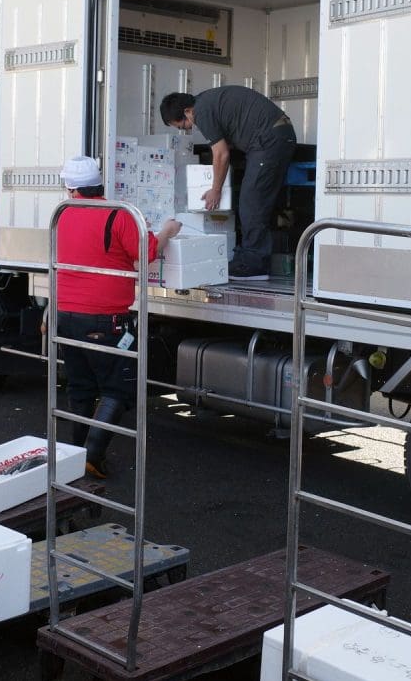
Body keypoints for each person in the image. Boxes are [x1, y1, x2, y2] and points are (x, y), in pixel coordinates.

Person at [55, 155, 181, 478]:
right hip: (107, 320)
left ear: (71, 189)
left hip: (67, 317)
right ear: (101, 185)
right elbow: (148, 252)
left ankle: (76, 459)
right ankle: (93, 455)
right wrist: (167, 230)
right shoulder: (119, 215)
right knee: (117, 389)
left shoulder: (62, 216)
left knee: (80, 389)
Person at [160, 86, 296, 281]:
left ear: (187, 111)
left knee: (252, 201)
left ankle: (254, 265)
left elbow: (222, 154)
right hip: (276, 136)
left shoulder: (202, 111)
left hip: (270, 139)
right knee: (255, 198)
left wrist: (215, 190)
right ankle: (250, 255)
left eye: (183, 125)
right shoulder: (207, 101)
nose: (188, 128)